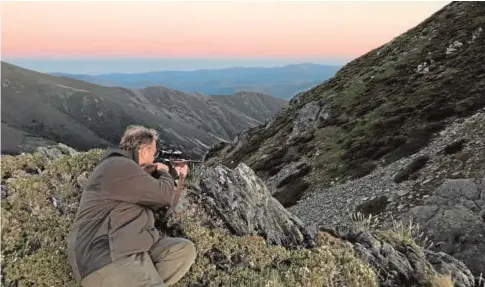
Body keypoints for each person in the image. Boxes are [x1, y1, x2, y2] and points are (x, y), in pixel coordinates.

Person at [67, 125, 197, 286]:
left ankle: (143, 279)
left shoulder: (122, 169)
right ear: (144, 151)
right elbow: (164, 196)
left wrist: (172, 174)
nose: (154, 158)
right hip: (104, 256)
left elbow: (158, 201)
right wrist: (163, 171)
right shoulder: (120, 166)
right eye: (153, 153)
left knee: (181, 251)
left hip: (125, 247)